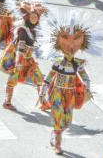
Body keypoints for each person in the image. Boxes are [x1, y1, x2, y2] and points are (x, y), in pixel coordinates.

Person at [38, 10, 99, 154]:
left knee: (67, 122)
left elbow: (85, 77)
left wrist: (87, 88)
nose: (70, 46)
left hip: (70, 94)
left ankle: (55, 134)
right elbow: (50, 76)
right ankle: (57, 144)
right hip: (57, 92)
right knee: (58, 119)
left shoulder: (78, 63)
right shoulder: (57, 62)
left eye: (75, 40)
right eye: (66, 40)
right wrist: (43, 90)